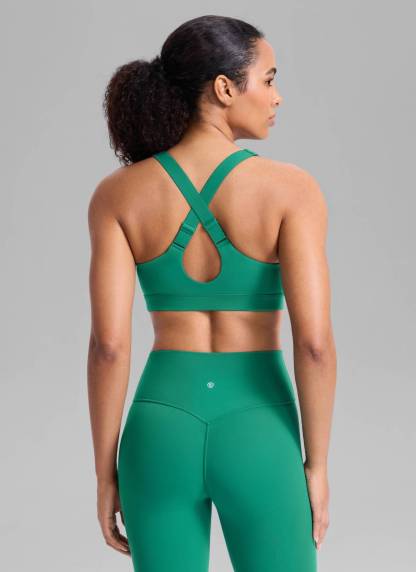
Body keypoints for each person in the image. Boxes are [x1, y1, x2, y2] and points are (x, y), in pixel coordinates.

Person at [87, 14, 337, 572]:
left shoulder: (117, 195)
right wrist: (317, 465)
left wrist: (106, 474)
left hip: (160, 428)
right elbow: (315, 344)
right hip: (260, 427)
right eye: (268, 79)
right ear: (225, 88)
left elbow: (108, 346)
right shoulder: (291, 190)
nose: (277, 96)